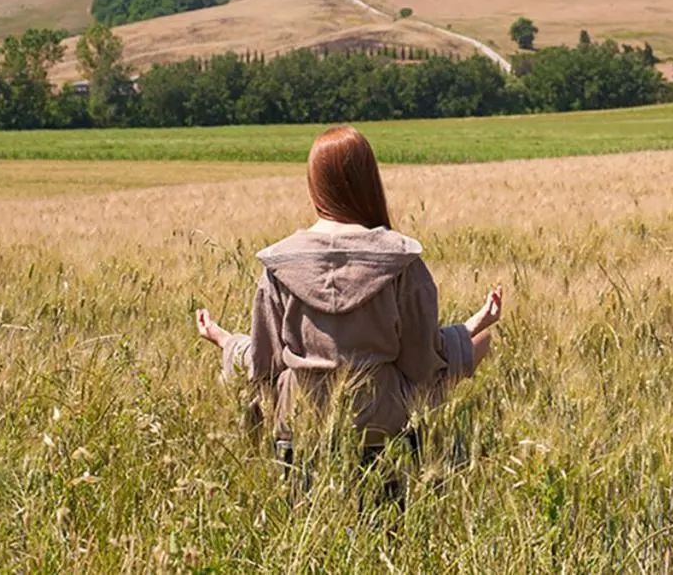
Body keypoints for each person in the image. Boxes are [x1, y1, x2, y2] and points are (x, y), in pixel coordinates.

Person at [194, 124, 503, 487]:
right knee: (483, 344)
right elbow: (422, 366)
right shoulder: (403, 263)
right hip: (385, 436)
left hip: (300, 436)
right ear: (369, 182)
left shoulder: (278, 267)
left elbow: (264, 368)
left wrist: (226, 341)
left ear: (314, 185)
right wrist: (467, 332)